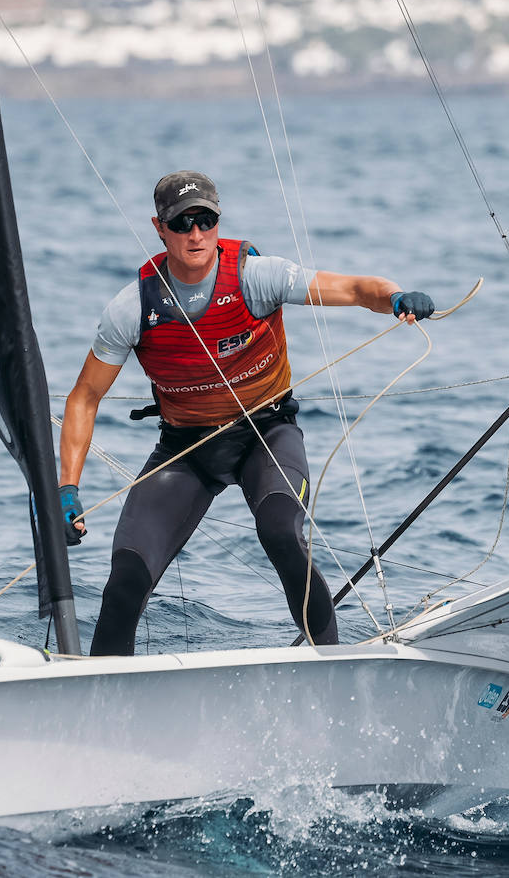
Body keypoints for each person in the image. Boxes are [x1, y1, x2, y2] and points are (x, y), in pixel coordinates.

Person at [59, 170, 435, 653]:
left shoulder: (256, 277)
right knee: (125, 579)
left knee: (280, 532)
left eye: (206, 220)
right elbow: (83, 398)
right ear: (159, 228)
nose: (196, 234)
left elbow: (358, 290)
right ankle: (100, 690)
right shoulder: (133, 308)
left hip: (267, 433)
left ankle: (331, 661)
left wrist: (396, 297)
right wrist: (67, 488)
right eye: (182, 223)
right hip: (186, 450)